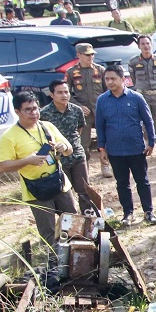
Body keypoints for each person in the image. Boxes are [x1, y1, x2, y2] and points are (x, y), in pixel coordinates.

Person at [0, 91, 76, 263]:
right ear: (17, 112)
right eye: (28, 110)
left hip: (60, 183)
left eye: (35, 109)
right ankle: (57, 265)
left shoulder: (47, 126)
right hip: (36, 190)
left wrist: (63, 147)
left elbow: (70, 149)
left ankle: (77, 258)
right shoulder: (9, 137)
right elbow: (1, 166)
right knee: (48, 232)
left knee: (73, 223)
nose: (34, 113)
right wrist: (27, 161)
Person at [94, 65, 156, 225]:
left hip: (136, 148)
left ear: (123, 79)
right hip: (115, 150)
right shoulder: (102, 101)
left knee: (142, 181)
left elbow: (148, 120)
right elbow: (99, 125)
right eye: (107, 79)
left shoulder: (136, 98)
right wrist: (101, 148)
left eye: (113, 78)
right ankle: (127, 213)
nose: (109, 82)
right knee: (122, 183)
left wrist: (151, 141)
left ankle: (148, 211)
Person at [39, 79, 101, 216]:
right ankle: (68, 221)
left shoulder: (77, 110)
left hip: (77, 155)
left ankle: (88, 217)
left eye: (66, 92)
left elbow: (79, 130)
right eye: (59, 92)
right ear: (51, 94)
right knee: (63, 193)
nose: (64, 95)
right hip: (58, 160)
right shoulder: (44, 114)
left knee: (84, 189)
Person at [128, 35, 156, 109]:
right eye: (143, 44)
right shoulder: (133, 62)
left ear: (151, 45)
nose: (146, 46)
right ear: (138, 46)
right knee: (145, 119)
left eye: (148, 43)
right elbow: (133, 79)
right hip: (142, 96)